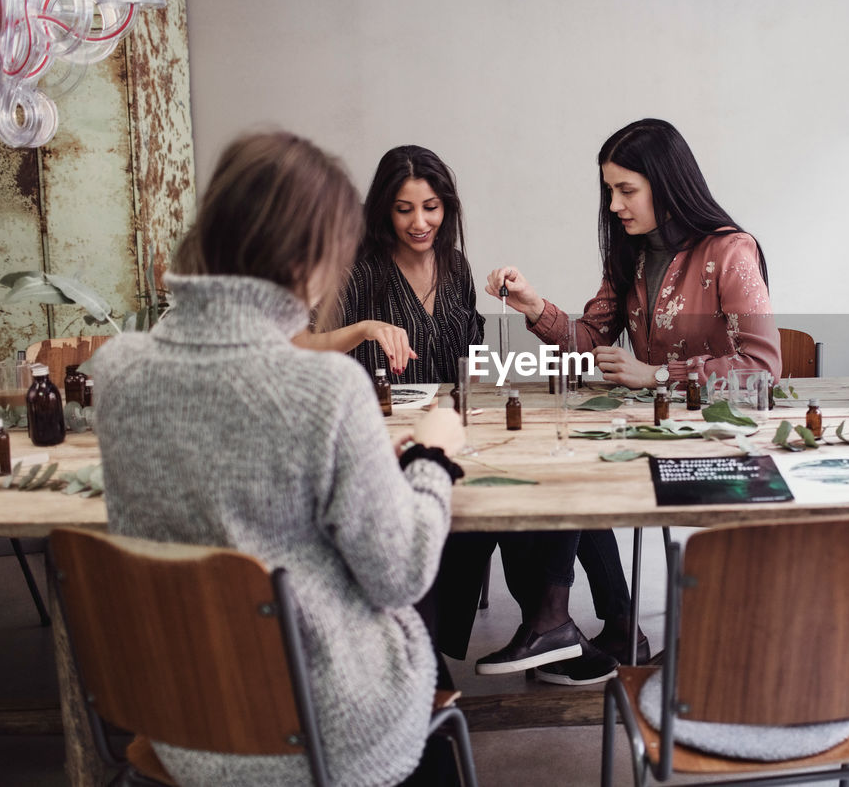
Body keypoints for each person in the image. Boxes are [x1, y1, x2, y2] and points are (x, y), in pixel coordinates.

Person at [90, 131, 465, 787]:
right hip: (319, 729)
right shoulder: (325, 389)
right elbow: (400, 573)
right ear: (310, 258)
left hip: (185, 718)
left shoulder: (117, 371)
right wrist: (433, 456)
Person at [484, 117, 780, 681]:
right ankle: (593, 625)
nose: (615, 205)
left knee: (572, 464)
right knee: (562, 459)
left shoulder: (731, 252)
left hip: (719, 440)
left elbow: (761, 368)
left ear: (666, 184)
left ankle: (563, 621)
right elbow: (591, 342)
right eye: (609, 190)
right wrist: (531, 304)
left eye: (627, 189)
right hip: (648, 434)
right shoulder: (632, 257)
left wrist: (654, 376)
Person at [295, 144, 484, 382]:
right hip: (380, 417)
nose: (419, 223)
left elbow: (474, 350)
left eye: (431, 207)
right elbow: (300, 346)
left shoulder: (456, 266)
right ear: (386, 211)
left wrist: (471, 402)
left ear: (446, 206)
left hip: (450, 416)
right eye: (404, 210)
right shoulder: (356, 272)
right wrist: (364, 329)